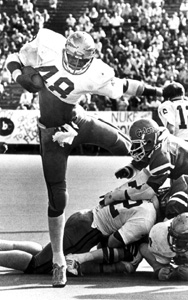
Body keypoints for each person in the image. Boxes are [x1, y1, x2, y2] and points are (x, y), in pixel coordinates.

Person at [5, 28, 162, 287]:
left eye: (82, 60)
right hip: (51, 132)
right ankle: (58, 260)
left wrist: (156, 92)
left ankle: (157, 168)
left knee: (122, 144)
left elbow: (123, 86)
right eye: (72, 57)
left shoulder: (96, 72)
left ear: (90, 59)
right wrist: (18, 74)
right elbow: (15, 57)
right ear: (64, 50)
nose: (76, 63)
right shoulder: (47, 45)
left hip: (76, 121)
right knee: (58, 197)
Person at [0, 168, 158, 276]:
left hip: (84, 216)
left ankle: (4, 244)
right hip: (87, 231)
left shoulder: (144, 197)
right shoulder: (147, 218)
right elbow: (112, 241)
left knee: (50, 252)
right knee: (37, 265)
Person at [102, 118, 188, 220]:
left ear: (149, 141)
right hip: (182, 176)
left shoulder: (162, 153)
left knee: (172, 209)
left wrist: (117, 195)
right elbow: (147, 156)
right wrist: (130, 169)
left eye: (138, 144)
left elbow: (148, 191)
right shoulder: (158, 140)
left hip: (184, 180)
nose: (134, 148)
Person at [139, 212, 188, 281]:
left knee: (185, 273)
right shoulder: (161, 232)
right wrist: (158, 268)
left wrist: (176, 273)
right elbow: (143, 248)